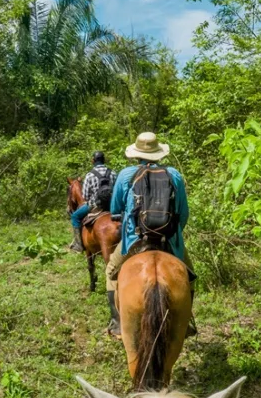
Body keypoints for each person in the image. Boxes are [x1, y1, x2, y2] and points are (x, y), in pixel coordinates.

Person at [104, 132, 195, 336]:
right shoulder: (174, 175)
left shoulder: (126, 175)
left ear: (136, 154)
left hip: (135, 241)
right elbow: (183, 215)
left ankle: (117, 323)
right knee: (190, 276)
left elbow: (115, 209)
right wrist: (172, 235)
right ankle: (186, 321)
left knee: (111, 271)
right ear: (159, 154)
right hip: (169, 241)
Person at [68, 151, 117, 253]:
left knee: (75, 217)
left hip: (95, 205)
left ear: (93, 161)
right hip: (111, 205)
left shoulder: (90, 175)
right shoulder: (112, 172)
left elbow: (85, 196)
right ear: (104, 160)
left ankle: (78, 244)